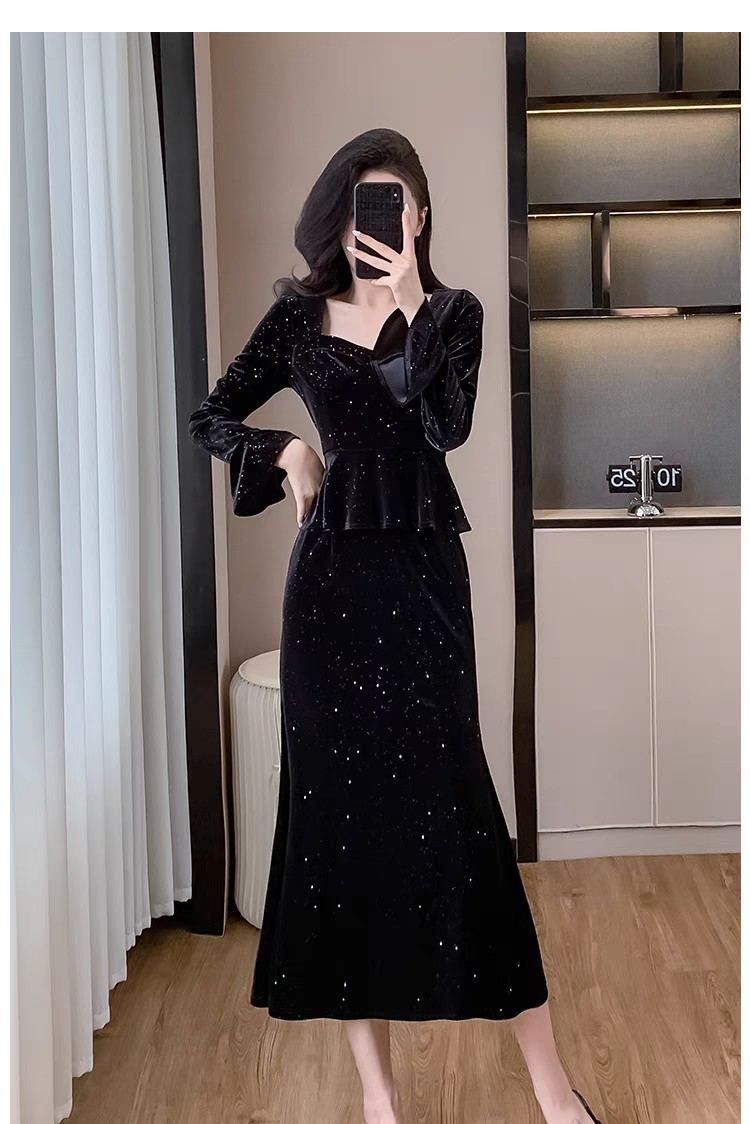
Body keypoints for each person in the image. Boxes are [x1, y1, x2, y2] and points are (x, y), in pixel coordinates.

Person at [188, 129, 603, 1124]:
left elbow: (446, 426)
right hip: (328, 591)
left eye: (396, 204)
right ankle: (379, 1097)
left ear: (419, 217)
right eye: (362, 204)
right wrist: (284, 450)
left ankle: (553, 1091)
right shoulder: (297, 316)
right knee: (337, 830)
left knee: (463, 821)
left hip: (423, 585)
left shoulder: (454, 313)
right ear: (337, 216)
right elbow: (210, 414)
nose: (376, 221)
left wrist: (412, 303)